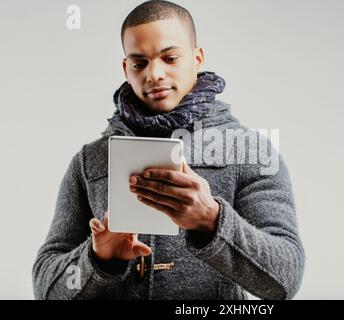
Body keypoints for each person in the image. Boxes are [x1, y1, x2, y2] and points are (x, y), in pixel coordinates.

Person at [32, 0, 305, 300]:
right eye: (139, 63)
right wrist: (97, 260)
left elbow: (285, 279)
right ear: (126, 68)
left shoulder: (250, 152)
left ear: (197, 58)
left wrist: (212, 221)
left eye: (170, 58)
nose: (154, 74)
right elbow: (46, 289)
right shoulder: (90, 161)